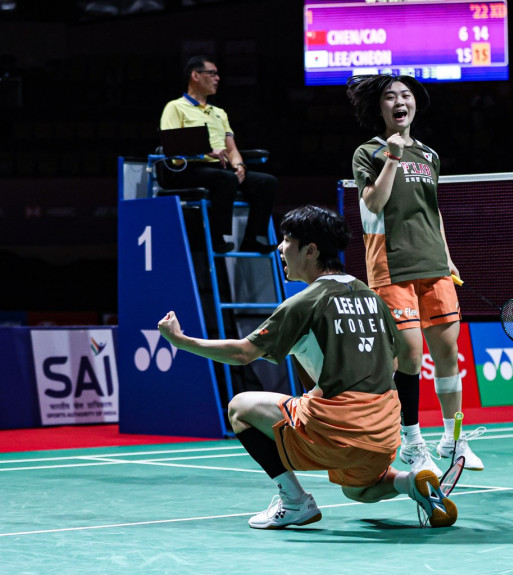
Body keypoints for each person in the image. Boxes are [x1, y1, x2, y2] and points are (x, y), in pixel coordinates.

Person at [157, 205, 457, 529]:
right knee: (357, 489)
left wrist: (182, 341)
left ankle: (294, 501)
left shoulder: (305, 302)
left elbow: (243, 353)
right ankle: (411, 482)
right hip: (384, 432)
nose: (280, 247)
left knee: (239, 408)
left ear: (310, 250)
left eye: (288, 240)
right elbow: (397, 362)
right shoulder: (372, 297)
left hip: (339, 428)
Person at [346, 74, 484, 477]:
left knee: (447, 354)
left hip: (434, 265)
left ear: (414, 104)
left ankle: (453, 439)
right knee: (408, 355)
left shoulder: (429, 155)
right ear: (380, 108)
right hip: (391, 265)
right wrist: (391, 157)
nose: (399, 102)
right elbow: (373, 202)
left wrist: (448, 257)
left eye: (405, 95)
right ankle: (411, 441)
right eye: (390, 97)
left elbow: (432, 210)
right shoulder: (368, 152)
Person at [159, 55, 276, 254]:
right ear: (195, 75)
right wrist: (204, 150)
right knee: (225, 179)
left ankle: (252, 238)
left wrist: (239, 165)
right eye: (212, 73)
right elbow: (172, 147)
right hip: (188, 168)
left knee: (266, 182)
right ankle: (216, 238)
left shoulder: (219, 112)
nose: (217, 78)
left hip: (219, 169)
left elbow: (231, 149)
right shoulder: (175, 107)